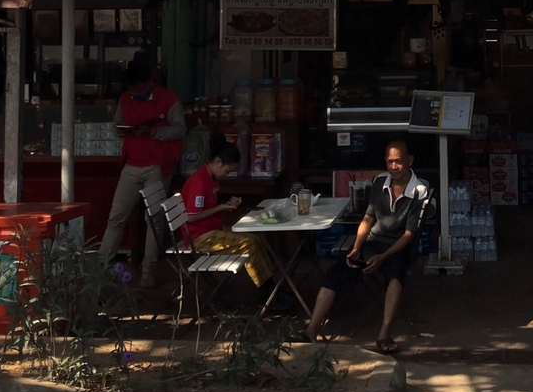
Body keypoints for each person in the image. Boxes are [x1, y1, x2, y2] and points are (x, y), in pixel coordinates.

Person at [301, 138, 429, 354]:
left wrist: (383, 257)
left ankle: (384, 333)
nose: (394, 166)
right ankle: (312, 328)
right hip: (373, 242)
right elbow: (368, 219)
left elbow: (408, 235)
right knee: (338, 271)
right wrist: (357, 247)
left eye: (398, 161)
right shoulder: (380, 182)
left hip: (398, 247)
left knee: (395, 277)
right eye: (389, 162)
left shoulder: (419, 190)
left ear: (410, 160)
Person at [99, 58, 183, 288]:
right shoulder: (125, 100)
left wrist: (154, 131)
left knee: (154, 219)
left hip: (158, 165)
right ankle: (101, 268)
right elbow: (118, 125)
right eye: (131, 89)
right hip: (131, 165)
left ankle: (149, 270)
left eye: (139, 89)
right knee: (116, 217)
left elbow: (180, 130)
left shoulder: (169, 99)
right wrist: (123, 129)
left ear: (149, 83)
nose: (134, 93)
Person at [177, 142, 274, 288]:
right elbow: (191, 216)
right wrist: (221, 207)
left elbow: (205, 207)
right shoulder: (199, 182)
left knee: (256, 239)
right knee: (250, 244)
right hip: (199, 237)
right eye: (227, 171)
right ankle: (267, 292)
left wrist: (225, 204)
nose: (227, 175)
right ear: (218, 162)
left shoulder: (208, 178)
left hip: (210, 230)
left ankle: (272, 285)